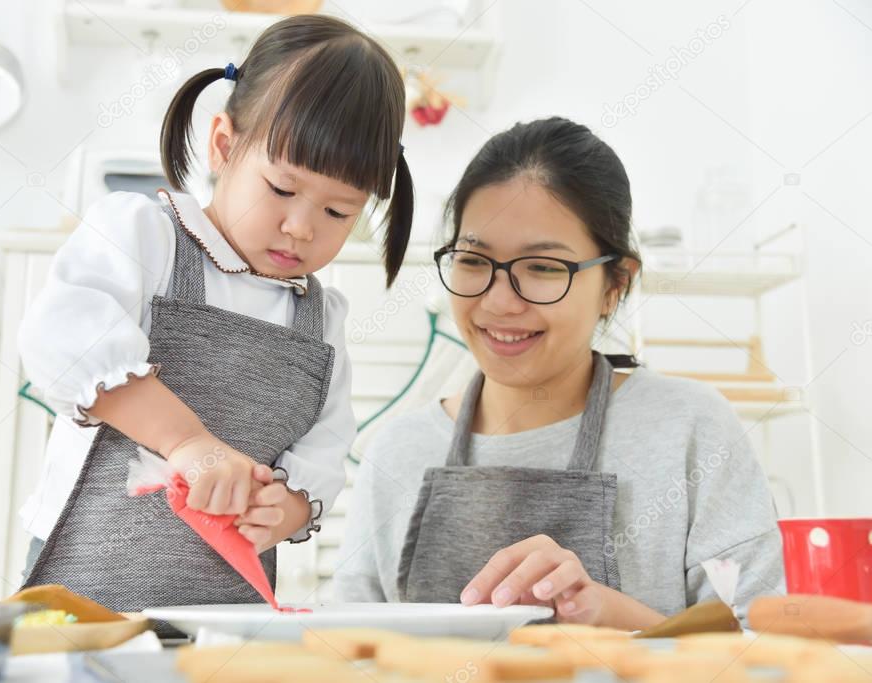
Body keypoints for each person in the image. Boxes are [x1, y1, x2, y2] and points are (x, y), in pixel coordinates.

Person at [16, 15, 413, 613]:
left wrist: (291, 506)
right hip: (87, 583)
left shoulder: (322, 318)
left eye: (338, 212)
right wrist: (189, 444)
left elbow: (326, 446)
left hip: (227, 609)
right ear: (224, 147)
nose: (301, 226)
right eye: (281, 189)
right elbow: (63, 339)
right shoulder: (145, 237)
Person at [335, 117, 782, 630]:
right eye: (474, 260)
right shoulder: (399, 450)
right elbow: (347, 650)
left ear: (616, 284)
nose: (499, 301)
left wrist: (616, 622)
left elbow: (762, 651)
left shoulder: (692, 430)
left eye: (544, 268)